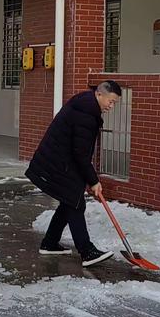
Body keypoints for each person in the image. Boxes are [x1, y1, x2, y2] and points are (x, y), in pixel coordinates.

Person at [25, 80, 122, 267]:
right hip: (59, 163)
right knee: (76, 204)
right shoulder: (86, 114)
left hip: (60, 160)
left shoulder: (86, 105)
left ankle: (50, 243)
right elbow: (80, 153)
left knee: (70, 200)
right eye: (110, 101)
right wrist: (93, 180)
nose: (111, 106)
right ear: (99, 94)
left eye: (114, 103)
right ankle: (87, 251)